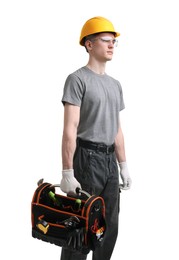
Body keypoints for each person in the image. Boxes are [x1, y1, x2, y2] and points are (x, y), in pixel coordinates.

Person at [60, 16, 132, 260]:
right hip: (87, 159)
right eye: (105, 40)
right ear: (89, 45)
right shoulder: (77, 79)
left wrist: (123, 166)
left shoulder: (115, 85)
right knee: (80, 228)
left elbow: (117, 129)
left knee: (108, 227)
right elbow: (70, 128)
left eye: (114, 42)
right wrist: (67, 172)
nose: (112, 45)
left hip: (110, 161)